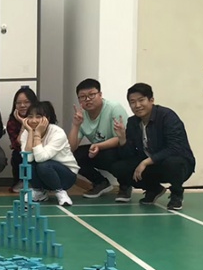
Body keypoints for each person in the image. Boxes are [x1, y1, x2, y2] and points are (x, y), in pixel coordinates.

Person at [112, 82, 195, 211]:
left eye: (141, 100)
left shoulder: (167, 116)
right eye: (132, 102)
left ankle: (177, 194)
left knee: (173, 163)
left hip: (178, 164)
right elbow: (128, 155)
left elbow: (175, 148)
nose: (137, 105)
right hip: (152, 165)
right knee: (119, 167)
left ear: (151, 100)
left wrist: (146, 162)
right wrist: (122, 139)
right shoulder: (133, 122)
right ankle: (153, 189)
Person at [68, 78, 130, 199]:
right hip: (98, 149)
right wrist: (75, 125)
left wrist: (99, 146)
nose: (87, 99)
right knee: (73, 156)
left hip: (120, 149)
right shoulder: (81, 115)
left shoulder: (114, 108)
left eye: (92, 95)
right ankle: (101, 183)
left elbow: (122, 138)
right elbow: (71, 148)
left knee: (109, 156)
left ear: (100, 94)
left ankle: (125, 185)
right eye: (83, 97)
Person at [19, 101, 78, 206]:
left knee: (44, 165)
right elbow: (27, 159)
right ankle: (39, 192)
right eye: (30, 116)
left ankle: (60, 192)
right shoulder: (27, 132)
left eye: (38, 117)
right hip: (44, 174)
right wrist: (31, 133)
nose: (33, 120)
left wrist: (37, 133)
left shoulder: (57, 132)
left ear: (48, 118)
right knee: (27, 165)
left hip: (66, 176)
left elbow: (41, 158)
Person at [6, 86, 39, 192]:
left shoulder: (41, 119)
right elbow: (18, 144)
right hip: (22, 153)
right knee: (18, 155)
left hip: (40, 151)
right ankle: (21, 181)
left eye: (26, 102)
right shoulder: (12, 122)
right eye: (18, 103)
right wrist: (23, 124)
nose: (22, 105)